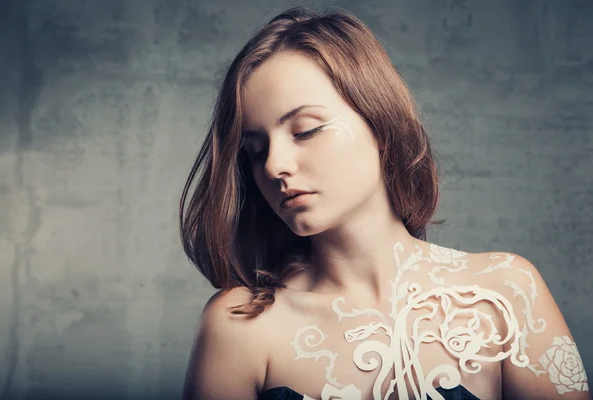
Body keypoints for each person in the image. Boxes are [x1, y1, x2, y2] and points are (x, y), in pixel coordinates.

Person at [179, 6, 589, 400]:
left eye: (305, 131)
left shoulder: (507, 291)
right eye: (254, 150)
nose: (274, 166)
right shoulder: (239, 324)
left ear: (380, 123)